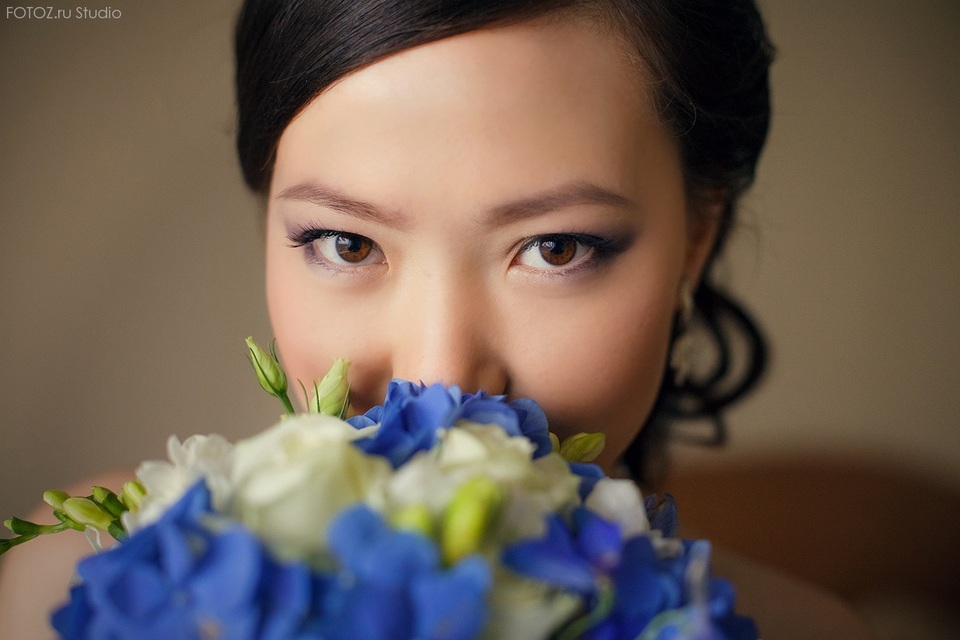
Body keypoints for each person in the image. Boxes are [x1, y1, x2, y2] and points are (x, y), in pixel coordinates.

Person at [0, 1, 877, 637]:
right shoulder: (87, 584)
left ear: (696, 238)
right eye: (346, 244)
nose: (441, 379)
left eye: (557, 248)